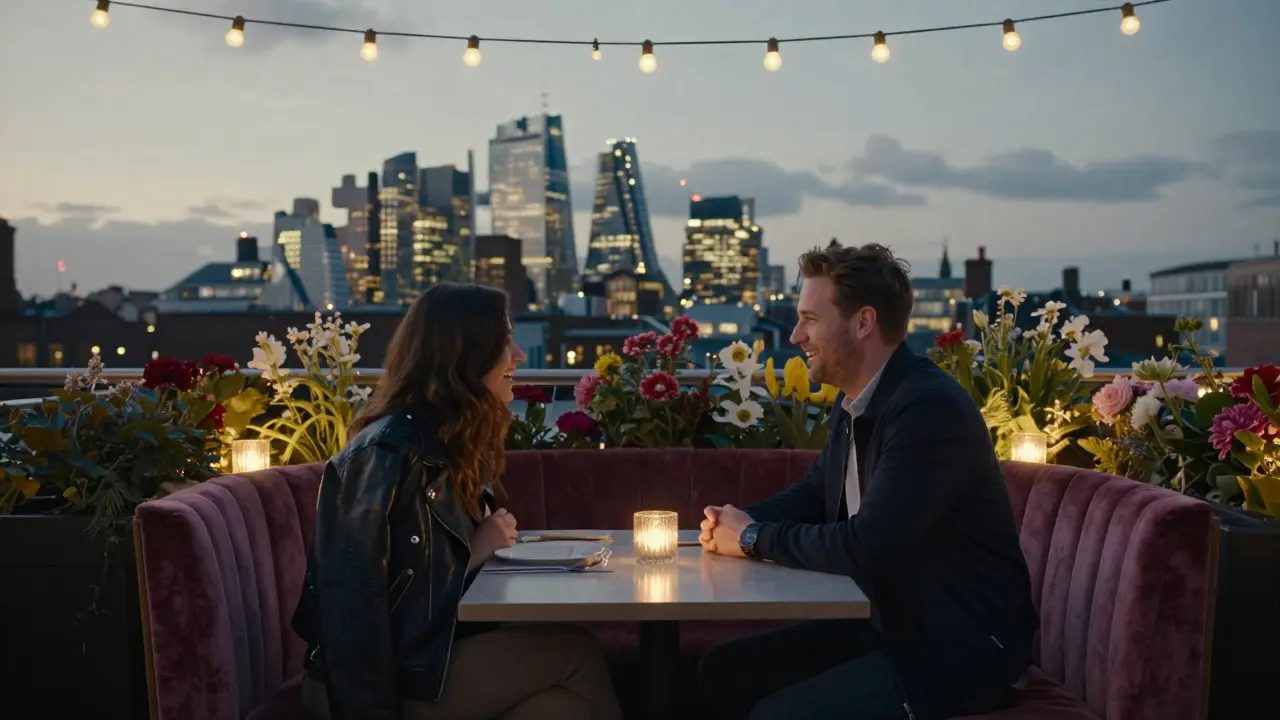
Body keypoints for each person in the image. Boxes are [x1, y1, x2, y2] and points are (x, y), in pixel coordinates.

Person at [697, 244, 1038, 720]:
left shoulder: (927, 409)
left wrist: (751, 539)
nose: (795, 335)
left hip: (960, 649)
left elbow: (867, 546)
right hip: (893, 623)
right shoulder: (857, 399)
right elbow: (816, 495)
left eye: (810, 320)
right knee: (724, 671)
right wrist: (731, 524)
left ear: (863, 323)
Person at [292, 283, 624, 720]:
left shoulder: (448, 446)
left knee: (562, 710)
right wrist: (475, 549)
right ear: (466, 355)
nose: (518, 356)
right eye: (504, 342)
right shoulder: (383, 456)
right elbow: (352, 611)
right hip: (370, 687)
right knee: (573, 653)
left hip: (423, 658)